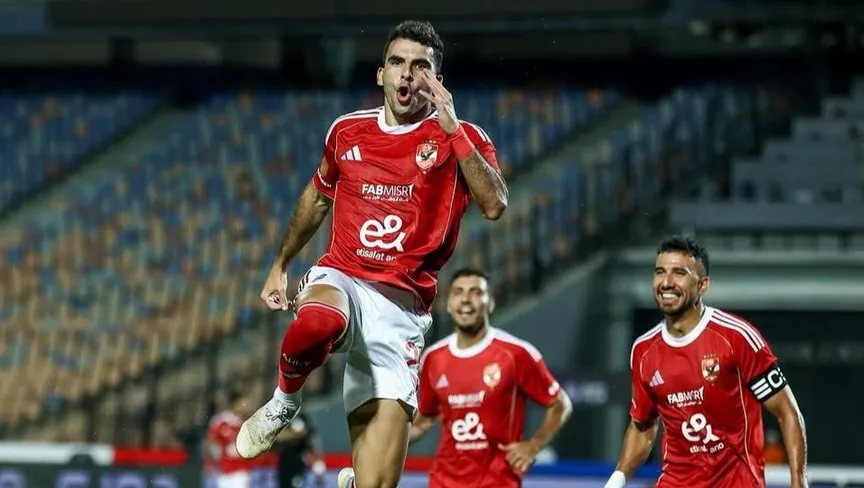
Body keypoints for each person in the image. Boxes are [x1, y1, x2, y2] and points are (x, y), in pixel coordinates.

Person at [234, 19, 509, 488]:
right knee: (317, 322)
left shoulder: (463, 137)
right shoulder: (347, 131)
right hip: (343, 277)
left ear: (437, 81)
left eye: (420, 67)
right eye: (397, 63)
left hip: (402, 311)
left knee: (377, 484)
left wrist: (453, 129)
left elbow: (495, 204)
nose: (407, 74)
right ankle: (284, 401)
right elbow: (317, 198)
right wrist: (280, 265)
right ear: (381, 74)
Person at [604, 236, 808, 488]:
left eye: (679, 273)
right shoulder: (643, 350)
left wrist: (799, 482)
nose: (666, 282)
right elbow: (643, 427)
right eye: (660, 272)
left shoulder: (736, 338)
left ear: (703, 285)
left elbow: (787, 412)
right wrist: (615, 481)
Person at [409, 267, 572, 487]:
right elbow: (424, 421)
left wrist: (534, 445)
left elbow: (560, 404)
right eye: (458, 292)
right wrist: (384, 441)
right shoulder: (433, 358)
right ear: (448, 304)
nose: (466, 300)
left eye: (476, 292)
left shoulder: (516, 354)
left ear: (491, 302)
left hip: (497, 482)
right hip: (443, 482)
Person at [206, 391, 256, 488]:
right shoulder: (220, 421)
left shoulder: (248, 421)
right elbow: (211, 442)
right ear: (233, 404)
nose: (244, 406)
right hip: (224, 469)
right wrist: (209, 462)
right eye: (241, 404)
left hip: (242, 470)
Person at [273, 412, 327, 487]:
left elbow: (314, 443)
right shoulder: (285, 417)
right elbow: (278, 437)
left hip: (298, 464)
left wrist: (318, 463)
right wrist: (294, 434)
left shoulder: (303, 417)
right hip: (285, 463)